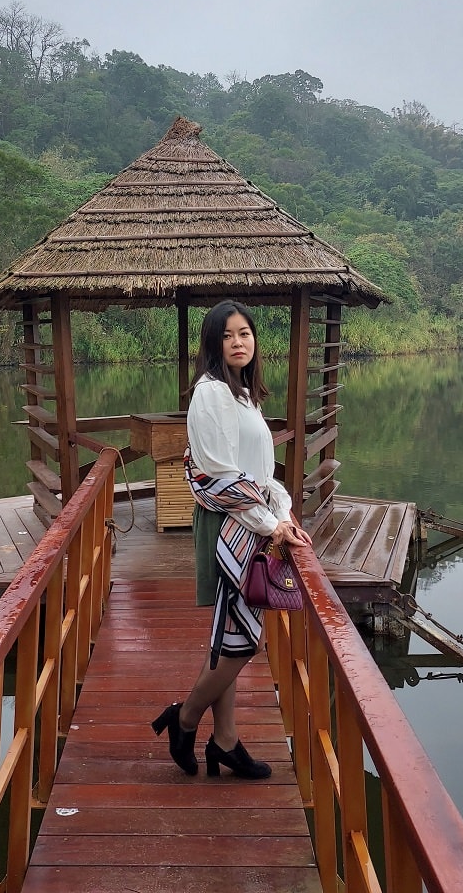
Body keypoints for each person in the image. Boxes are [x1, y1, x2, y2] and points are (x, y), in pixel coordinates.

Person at [151, 300, 312, 778]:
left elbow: (262, 475)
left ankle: (225, 742)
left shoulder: (244, 395)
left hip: (253, 521)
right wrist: (270, 523)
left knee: (229, 639)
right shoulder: (212, 394)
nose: (239, 342)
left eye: (245, 333)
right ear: (212, 344)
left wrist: (281, 511)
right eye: (228, 336)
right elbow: (218, 475)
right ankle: (184, 719)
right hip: (231, 527)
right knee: (241, 644)